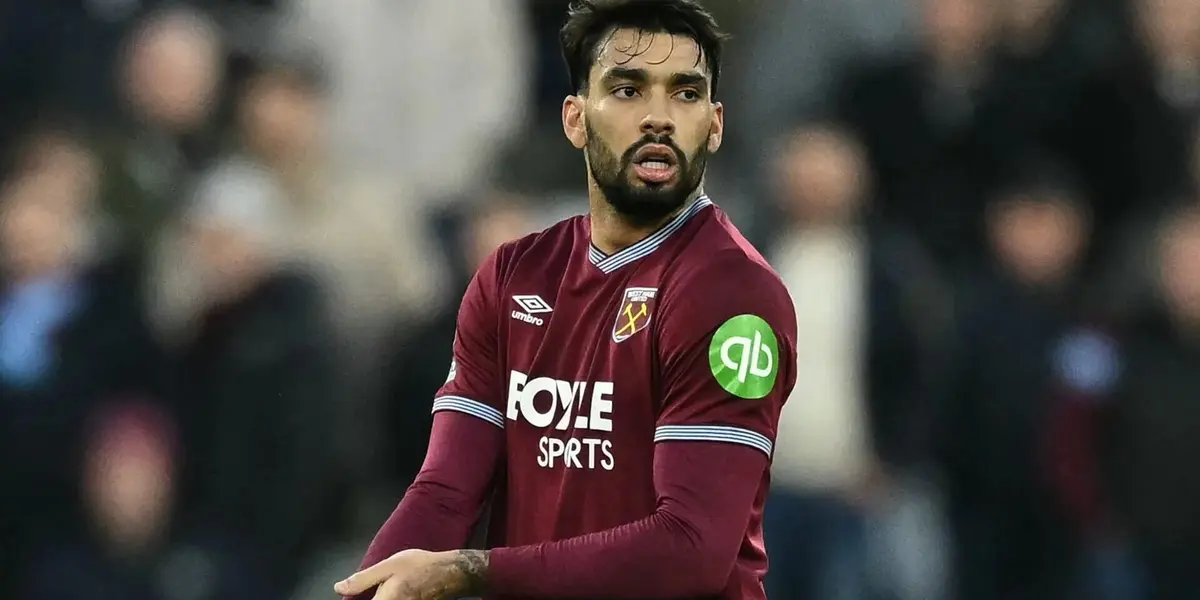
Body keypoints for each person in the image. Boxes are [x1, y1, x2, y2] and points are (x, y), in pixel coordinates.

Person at [334, 1, 798, 599]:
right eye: (628, 90)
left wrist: (471, 570)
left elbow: (691, 550)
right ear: (575, 119)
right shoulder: (513, 275)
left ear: (714, 124)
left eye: (685, 94)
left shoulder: (734, 297)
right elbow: (445, 492)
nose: (658, 118)